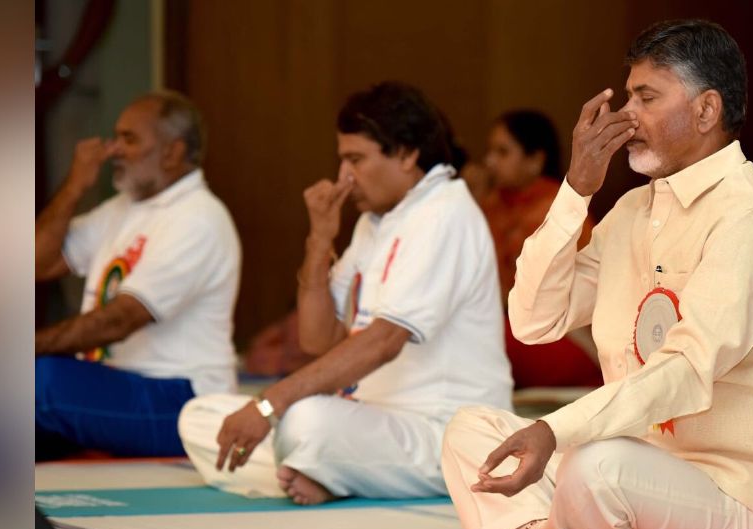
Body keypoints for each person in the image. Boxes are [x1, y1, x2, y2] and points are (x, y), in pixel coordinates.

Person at [441, 20, 753, 529]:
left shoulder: (748, 218)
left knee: (595, 464)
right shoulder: (631, 212)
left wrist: (557, 430)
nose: (626, 116)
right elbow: (534, 321)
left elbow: (687, 370)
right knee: (470, 430)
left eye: (646, 97)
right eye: (627, 97)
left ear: (705, 110)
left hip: (744, 503)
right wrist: (575, 190)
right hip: (644, 476)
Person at [178, 82, 512, 505]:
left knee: (303, 421)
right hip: (371, 423)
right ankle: (323, 468)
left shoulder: (444, 213)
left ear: (408, 155)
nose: (343, 177)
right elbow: (316, 339)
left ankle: (323, 466)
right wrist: (319, 239)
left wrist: (268, 405)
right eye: (342, 160)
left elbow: (383, 342)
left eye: (355, 159)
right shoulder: (375, 220)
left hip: (443, 432)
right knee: (201, 416)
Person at [34, 91, 240, 458]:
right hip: (121, 385)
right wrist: (75, 186)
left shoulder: (198, 217)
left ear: (172, 152)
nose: (113, 150)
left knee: (41, 381)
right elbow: (37, 263)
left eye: (129, 139)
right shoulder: (122, 209)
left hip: (183, 400)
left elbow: (120, 320)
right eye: (116, 137)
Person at [476, 110, 602, 389]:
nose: (489, 161)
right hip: (508, 326)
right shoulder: (492, 206)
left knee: (479, 338)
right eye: (490, 151)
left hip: (563, 335)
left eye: (502, 152)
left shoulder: (560, 208)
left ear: (535, 161)